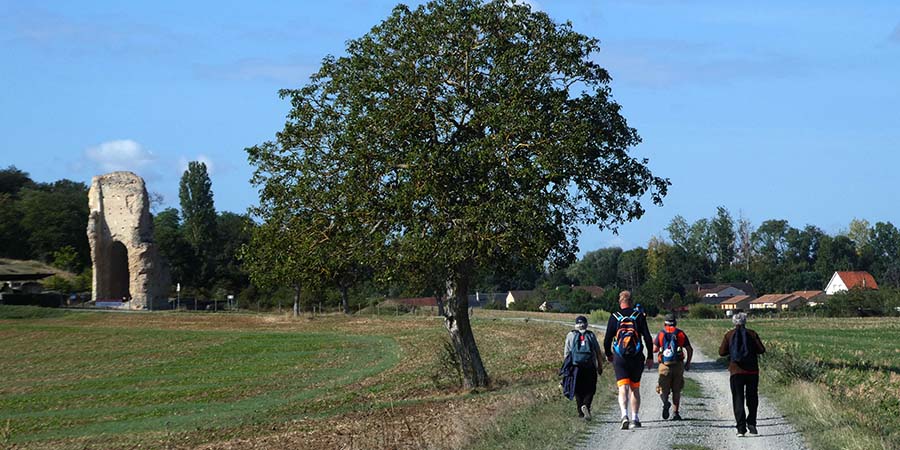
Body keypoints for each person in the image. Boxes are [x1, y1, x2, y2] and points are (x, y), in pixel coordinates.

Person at [604, 291, 653, 430]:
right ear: (631, 301)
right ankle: (635, 418)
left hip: (620, 357)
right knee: (635, 388)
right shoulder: (638, 316)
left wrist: (609, 354)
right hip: (636, 357)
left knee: (623, 388)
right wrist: (650, 356)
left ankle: (624, 416)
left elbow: (607, 339)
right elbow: (648, 338)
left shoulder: (615, 317)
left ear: (620, 302)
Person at [719, 312, 766, 437]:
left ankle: (740, 428)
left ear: (733, 322)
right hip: (752, 371)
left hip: (736, 372)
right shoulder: (752, 334)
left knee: (738, 399)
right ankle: (752, 423)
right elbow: (761, 350)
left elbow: (721, 352)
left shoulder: (729, 335)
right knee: (752, 397)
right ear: (745, 321)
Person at [653, 313, 693, 421]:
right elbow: (689, 349)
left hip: (664, 365)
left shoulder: (661, 334)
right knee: (677, 390)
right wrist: (688, 362)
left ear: (665, 323)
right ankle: (676, 413)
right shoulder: (680, 333)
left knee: (662, 389)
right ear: (675, 322)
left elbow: (654, 349)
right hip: (678, 365)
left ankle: (666, 402)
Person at [564, 315, 603, 421]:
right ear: (586, 324)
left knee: (577, 389)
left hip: (576, 367)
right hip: (590, 366)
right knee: (590, 389)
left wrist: (566, 369)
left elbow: (567, 354)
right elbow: (598, 352)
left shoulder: (571, 335)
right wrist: (600, 366)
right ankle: (586, 406)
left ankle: (581, 413)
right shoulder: (590, 335)